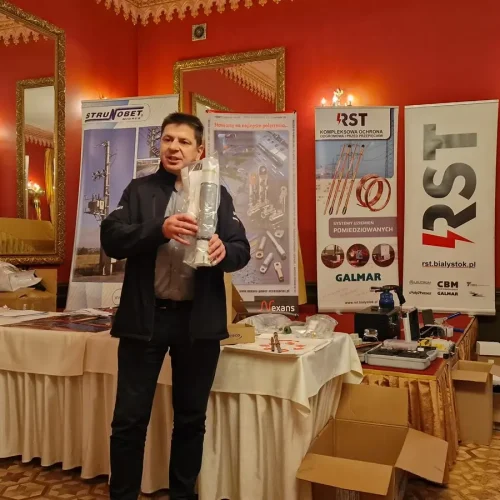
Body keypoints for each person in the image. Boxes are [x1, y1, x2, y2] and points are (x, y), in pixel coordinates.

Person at [100, 112, 250, 500]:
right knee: (129, 420)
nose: (173, 147)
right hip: (145, 320)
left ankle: (183, 496)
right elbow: (112, 238)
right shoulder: (139, 190)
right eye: (168, 139)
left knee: (190, 420)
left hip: (197, 324)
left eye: (184, 141)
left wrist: (224, 249)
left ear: (200, 150)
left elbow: (241, 249)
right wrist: (159, 229)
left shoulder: (218, 193)